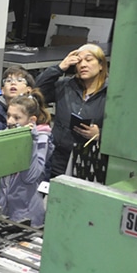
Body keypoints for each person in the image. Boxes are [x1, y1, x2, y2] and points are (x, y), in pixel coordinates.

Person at [35, 43, 108, 178]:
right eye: (79, 61)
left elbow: (124, 130)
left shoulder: (112, 93)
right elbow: (37, 91)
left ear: (101, 65)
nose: (83, 65)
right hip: (58, 157)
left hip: (89, 160)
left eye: (89, 59)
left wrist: (100, 135)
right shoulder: (65, 85)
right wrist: (59, 68)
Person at [0, 92, 54, 227]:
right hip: (4, 211)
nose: (10, 121)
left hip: (26, 214)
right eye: (8, 116)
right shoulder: (5, 135)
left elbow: (30, 176)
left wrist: (31, 142)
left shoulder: (41, 140)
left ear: (32, 121)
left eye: (17, 118)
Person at [0, 66, 36, 131]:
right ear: (2, 90)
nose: (13, 83)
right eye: (8, 80)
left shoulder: (36, 111)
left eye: (19, 80)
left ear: (29, 90)